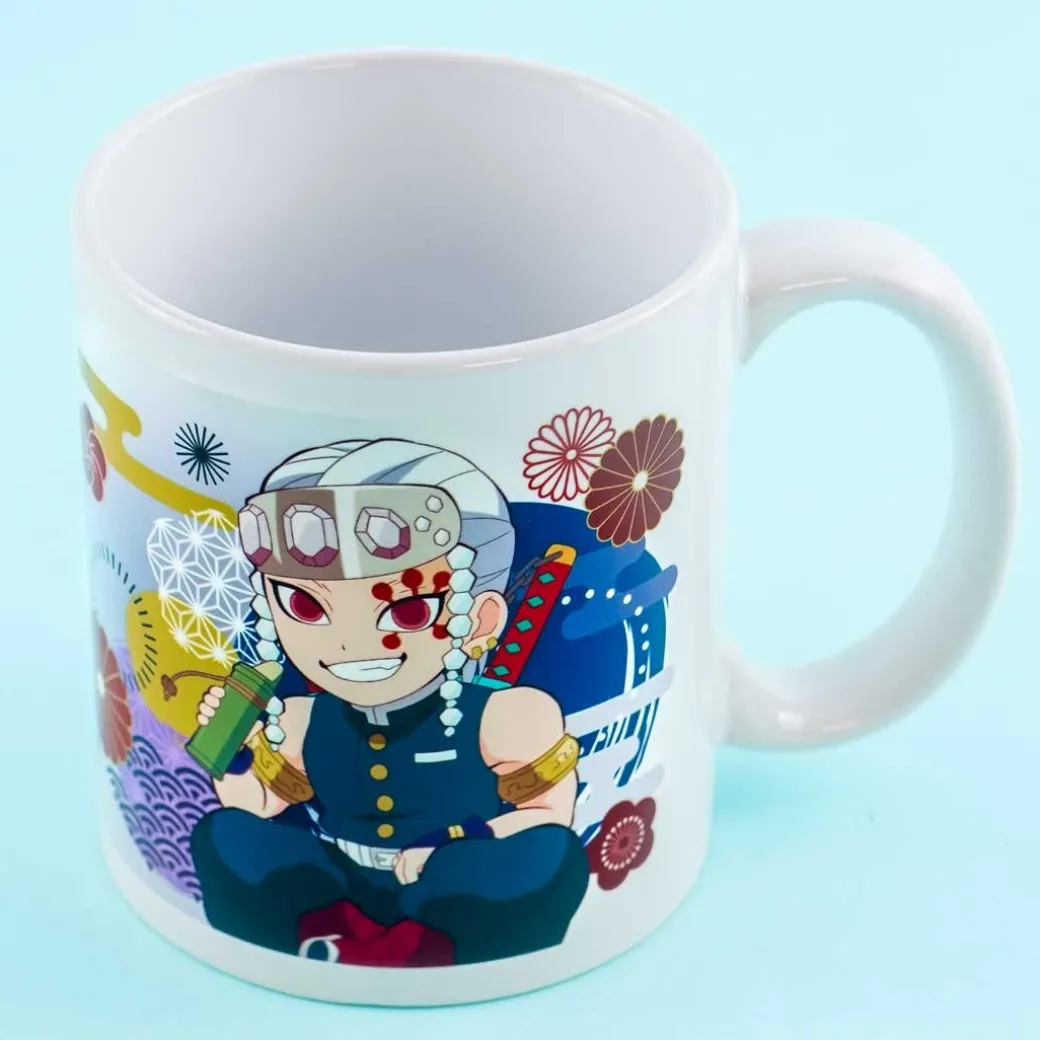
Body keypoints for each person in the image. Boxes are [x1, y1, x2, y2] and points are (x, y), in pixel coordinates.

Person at [190, 438, 589, 966]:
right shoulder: (302, 719)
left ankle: (436, 950)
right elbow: (256, 806)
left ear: (482, 621)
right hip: (336, 890)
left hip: (451, 889)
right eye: (305, 606)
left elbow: (547, 816)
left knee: (550, 855)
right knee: (226, 834)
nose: (349, 643)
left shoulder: (508, 717)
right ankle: (326, 936)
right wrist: (235, 750)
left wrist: (458, 842)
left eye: (408, 611)